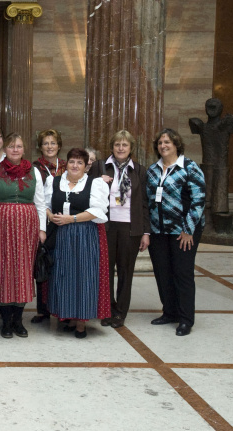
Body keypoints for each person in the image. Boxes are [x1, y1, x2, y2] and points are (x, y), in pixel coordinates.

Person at [0, 133, 46, 338]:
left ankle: (18, 320)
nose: (15, 150)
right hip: (1, 226)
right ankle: (6, 321)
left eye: (19, 146)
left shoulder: (34, 171)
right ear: (5, 149)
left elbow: (40, 203)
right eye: (11, 146)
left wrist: (42, 229)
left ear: (24, 149)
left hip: (27, 227)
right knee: (3, 269)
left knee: (23, 270)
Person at [145, 128, 206, 337]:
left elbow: (198, 200)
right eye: (160, 143)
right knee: (163, 272)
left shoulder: (190, 168)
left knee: (182, 273)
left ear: (176, 145)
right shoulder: (153, 170)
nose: (163, 146)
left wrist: (188, 229)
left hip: (184, 231)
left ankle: (186, 319)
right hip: (158, 231)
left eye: (167, 142)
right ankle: (169, 312)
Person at [45, 148, 111, 338]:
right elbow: (44, 205)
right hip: (60, 234)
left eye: (79, 162)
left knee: (84, 276)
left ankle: (81, 323)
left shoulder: (95, 183)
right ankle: (69, 317)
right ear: (66, 163)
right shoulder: (54, 181)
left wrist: (71, 219)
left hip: (84, 234)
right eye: (72, 162)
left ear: (86, 166)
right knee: (63, 276)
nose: (75, 165)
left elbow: (98, 211)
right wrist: (51, 215)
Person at [87, 131, 150, 328]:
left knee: (125, 271)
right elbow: (87, 190)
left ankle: (120, 312)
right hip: (105, 225)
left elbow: (144, 204)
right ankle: (107, 309)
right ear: (112, 147)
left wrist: (145, 232)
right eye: (117, 145)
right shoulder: (100, 166)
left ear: (131, 148)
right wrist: (98, 181)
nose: (121, 148)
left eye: (125, 145)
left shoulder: (139, 170)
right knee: (105, 270)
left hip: (130, 227)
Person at [31, 128, 66, 323]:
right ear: (40, 147)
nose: (50, 147)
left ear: (59, 146)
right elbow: (35, 197)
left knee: (62, 265)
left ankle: (61, 307)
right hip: (43, 220)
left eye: (53, 143)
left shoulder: (68, 166)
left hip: (64, 220)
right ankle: (42, 310)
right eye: (46, 143)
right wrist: (48, 216)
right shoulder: (34, 167)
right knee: (43, 263)